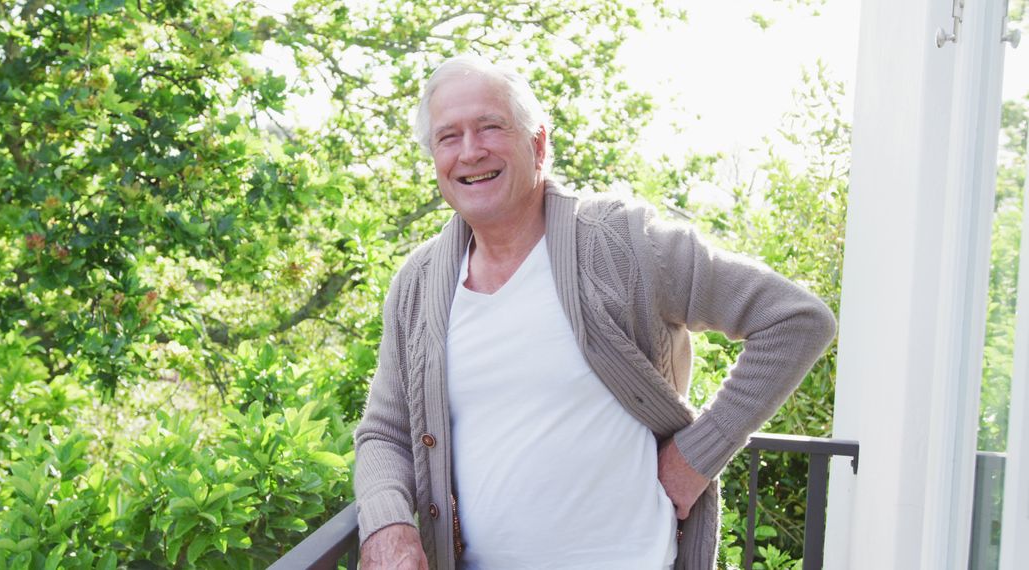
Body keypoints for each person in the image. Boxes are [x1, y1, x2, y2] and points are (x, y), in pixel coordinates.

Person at [353, 55, 836, 570]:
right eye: (449, 137)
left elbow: (795, 320)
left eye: (490, 127)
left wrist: (698, 456)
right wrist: (388, 525)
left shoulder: (623, 242)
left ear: (538, 144)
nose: (470, 151)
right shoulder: (420, 282)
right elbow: (384, 432)